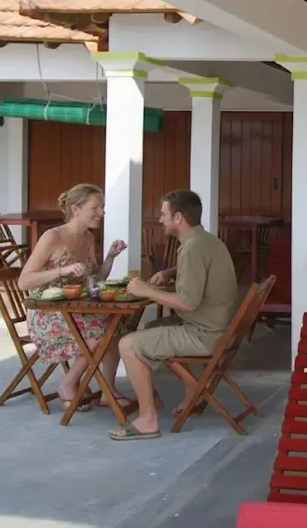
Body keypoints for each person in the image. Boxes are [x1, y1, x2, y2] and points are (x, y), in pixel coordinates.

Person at [110, 189, 240, 441]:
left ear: (178, 217)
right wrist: (171, 272)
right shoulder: (205, 241)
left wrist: (144, 289)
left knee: (127, 345)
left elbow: (186, 303)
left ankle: (147, 420)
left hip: (205, 335)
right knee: (150, 328)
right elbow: (198, 271)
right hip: (220, 328)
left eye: (163, 215)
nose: (160, 220)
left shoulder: (192, 249)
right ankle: (193, 392)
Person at [18, 183, 130, 412]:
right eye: (95, 207)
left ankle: (107, 391)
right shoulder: (52, 237)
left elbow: (96, 277)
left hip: (76, 309)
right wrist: (61, 271)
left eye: (102, 207)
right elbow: (24, 281)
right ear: (76, 209)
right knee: (100, 332)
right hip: (48, 314)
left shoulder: (88, 238)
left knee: (117, 328)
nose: (101, 213)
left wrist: (110, 257)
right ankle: (68, 384)